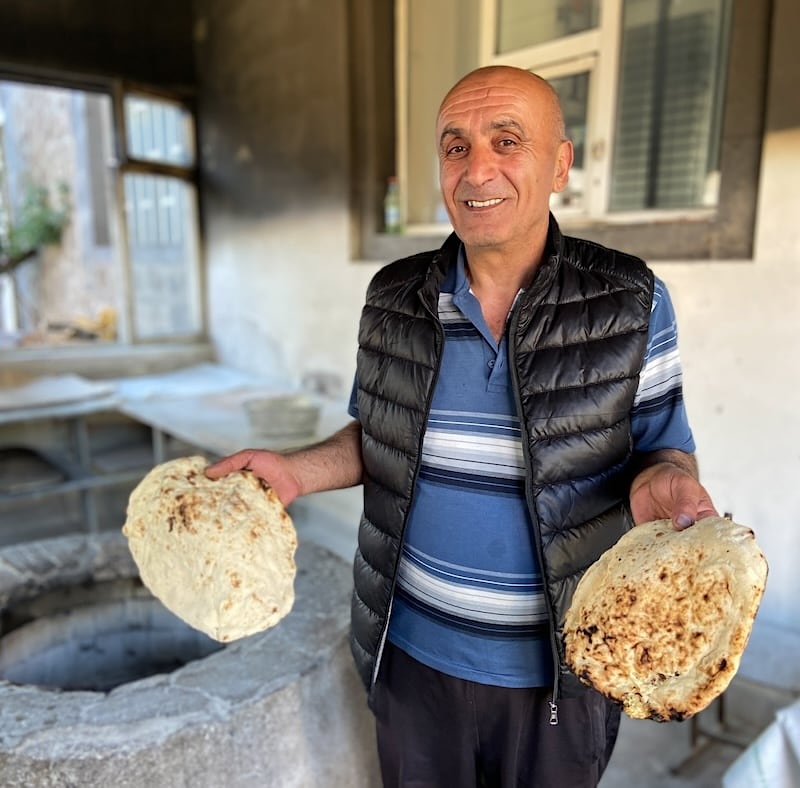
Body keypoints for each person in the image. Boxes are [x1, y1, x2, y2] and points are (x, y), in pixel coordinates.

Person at [206, 65, 718, 788]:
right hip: (411, 660)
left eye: (507, 141)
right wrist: (295, 471)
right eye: (455, 147)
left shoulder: (629, 298)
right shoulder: (393, 298)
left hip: (559, 675)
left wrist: (667, 484)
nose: (477, 169)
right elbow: (378, 435)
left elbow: (666, 445)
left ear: (560, 164)